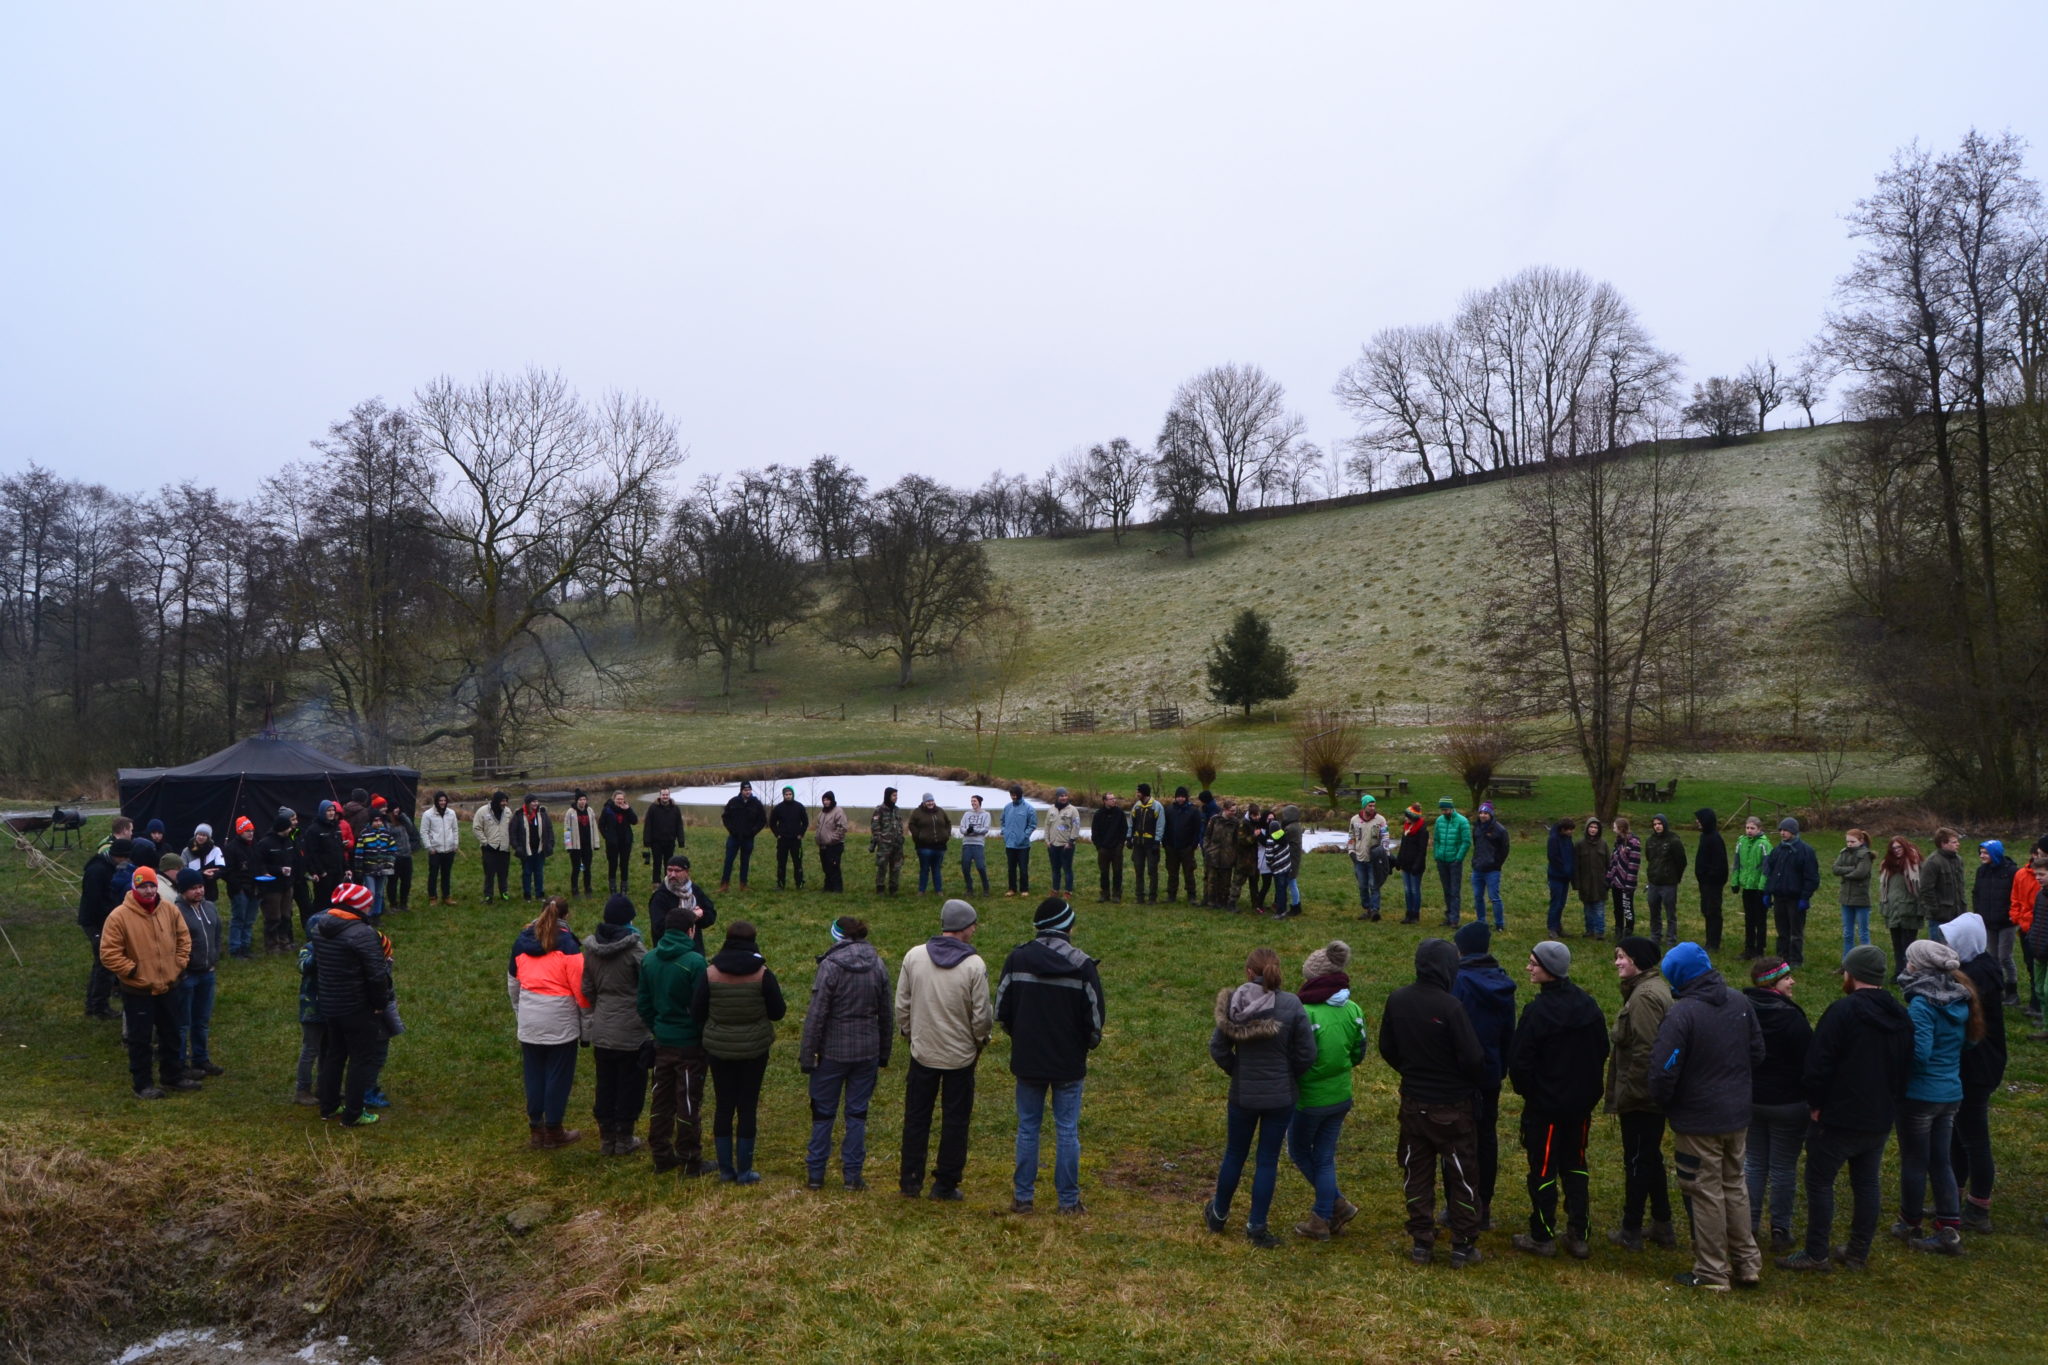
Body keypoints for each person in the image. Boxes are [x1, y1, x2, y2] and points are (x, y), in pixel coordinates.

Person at [1776, 943, 1914, 1273]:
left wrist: (1816, 1104)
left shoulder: (1842, 1012)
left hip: (1838, 1117)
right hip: (1879, 1116)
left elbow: (1818, 1064)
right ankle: (1857, 1252)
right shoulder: (1900, 1014)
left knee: (1820, 1182)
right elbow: (1907, 1065)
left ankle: (1816, 1253)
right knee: (1866, 1184)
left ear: (1853, 975)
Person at [1649, 942, 1765, 1290]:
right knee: (1734, 1185)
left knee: (1705, 1192)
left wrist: (1667, 1102)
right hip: (1737, 1114)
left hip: (1698, 1120)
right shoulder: (1740, 1002)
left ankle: (1713, 1271)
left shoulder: (1682, 1014)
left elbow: (1663, 1070)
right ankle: (1747, 1263)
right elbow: (1757, 1052)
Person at [1379, 939, 1488, 1267]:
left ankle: (1421, 1241)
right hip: (1452, 1107)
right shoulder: (1451, 1007)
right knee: (1462, 1175)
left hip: (1414, 1104)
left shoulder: (1398, 999)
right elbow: (1474, 1058)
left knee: (1416, 1171)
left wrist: (1412, 1071)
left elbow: (1387, 1047)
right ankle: (1462, 1244)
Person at [998, 897, 1105, 1215]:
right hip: (1068, 1062)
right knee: (1067, 1130)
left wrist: (1020, 1038)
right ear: (1066, 926)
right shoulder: (1082, 965)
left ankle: (1023, 1198)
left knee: (1028, 1128)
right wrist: (1085, 1045)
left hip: (1028, 1059)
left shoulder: (1017, 959)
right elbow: (1095, 1019)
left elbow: (1002, 1010)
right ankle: (1068, 1202)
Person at [1203, 947, 1316, 1249]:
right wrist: (1288, 1076)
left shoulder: (1234, 1003)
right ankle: (1256, 1226)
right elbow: (1307, 1052)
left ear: (1249, 972)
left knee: (1234, 1154)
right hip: (1281, 1097)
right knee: (1267, 1160)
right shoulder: (1291, 1004)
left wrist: (1237, 1071)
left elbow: (1218, 1048)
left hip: (1243, 1095)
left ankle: (1218, 1214)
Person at [1506, 940, 1608, 1259]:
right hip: (1580, 1106)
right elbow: (1602, 1049)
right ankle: (1579, 1234)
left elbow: (1519, 1061)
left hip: (1546, 1108)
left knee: (1543, 1169)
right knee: (1576, 1165)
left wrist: (1532, 1093)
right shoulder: (1588, 1005)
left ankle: (1542, 1235)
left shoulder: (1537, 1012)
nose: (1528, 967)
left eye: (1533, 963)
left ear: (1549, 969)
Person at [896, 899, 993, 1200]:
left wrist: (910, 1035)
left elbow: (902, 1004)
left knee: (916, 1117)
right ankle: (945, 1184)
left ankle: (910, 1180)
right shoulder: (974, 965)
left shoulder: (914, 956)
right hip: (960, 1057)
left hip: (922, 1052)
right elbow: (982, 1015)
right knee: (955, 1121)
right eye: (973, 925)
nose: (975, 930)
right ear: (963, 927)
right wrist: (980, 1041)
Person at [1892, 937, 1980, 1254]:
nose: (1906, 964)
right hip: (1950, 1092)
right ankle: (1949, 1227)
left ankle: (1909, 1221)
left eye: (1909, 959)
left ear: (1918, 967)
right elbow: (1969, 1042)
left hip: (1920, 1095)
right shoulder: (1960, 998)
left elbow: (1919, 1054)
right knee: (1941, 1160)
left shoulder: (1921, 1004)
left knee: (1915, 1160)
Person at [800, 915, 892, 1191]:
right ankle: (852, 1176)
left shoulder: (830, 966)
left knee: (823, 1114)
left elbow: (817, 1014)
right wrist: (883, 1052)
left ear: (838, 935)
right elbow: (886, 1013)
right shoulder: (877, 964)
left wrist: (808, 1055)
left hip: (833, 1051)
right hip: (867, 1051)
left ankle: (816, 1174)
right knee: (857, 1114)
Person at [691, 921, 787, 1184]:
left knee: (724, 1105)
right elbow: (778, 1012)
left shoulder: (710, 973)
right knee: (747, 1106)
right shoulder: (763, 974)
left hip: (719, 1048)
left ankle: (725, 1170)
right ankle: (744, 1171)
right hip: (754, 1050)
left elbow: (697, 1011)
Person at [1290, 940, 1366, 1240]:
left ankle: (1327, 1213)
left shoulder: (1306, 1013)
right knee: (1324, 1156)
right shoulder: (1353, 1009)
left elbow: (1296, 1058)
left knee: (1299, 1149)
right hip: (1341, 1094)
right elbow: (1359, 1052)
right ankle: (1332, 1208)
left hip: (1310, 1098)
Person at [1605, 936, 1676, 1252]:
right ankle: (1662, 1224)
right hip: (1649, 1094)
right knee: (1649, 1157)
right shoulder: (1649, 988)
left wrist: (1633, 1094)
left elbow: (1646, 1051)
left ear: (1636, 960)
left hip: (1642, 1096)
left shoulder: (1644, 997)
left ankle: (1631, 1229)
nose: (1617, 962)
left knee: (1636, 1160)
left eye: (1622, 956)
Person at [99, 866, 194, 1099]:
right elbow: (109, 953)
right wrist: (133, 972)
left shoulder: (169, 910)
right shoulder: (119, 916)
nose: (149, 891)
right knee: (140, 1040)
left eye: (152, 885)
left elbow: (184, 938)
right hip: (138, 990)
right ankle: (142, 1084)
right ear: (134, 888)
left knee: (171, 1034)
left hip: (169, 985)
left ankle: (172, 1076)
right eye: (143, 886)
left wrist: (179, 964)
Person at [1743, 957, 1812, 1254]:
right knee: (1783, 1167)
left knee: (1754, 1163)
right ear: (1772, 983)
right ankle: (1780, 1229)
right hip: (1788, 1103)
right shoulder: (1792, 1018)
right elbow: (1809, 1061)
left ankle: (1748, 1225)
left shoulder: (1743, 1012)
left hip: (1752, 1100)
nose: (1792, 981)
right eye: (1786, 978)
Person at [1450, 922, 1516, 1233]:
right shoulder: (1502, 982)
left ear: (1461, 949)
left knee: (1456, 1139)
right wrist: (1501, 1067)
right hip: (1490, 1071)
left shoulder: (1458, 981)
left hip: (1460, 1074)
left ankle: (1458, 1205)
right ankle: (1484, 1205)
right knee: (1486, 1137)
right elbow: (1508, 1032)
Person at [637, 895, 710, 1176]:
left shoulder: (649, 959)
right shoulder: (695, 962)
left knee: (661, 1098)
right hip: (689, 1043)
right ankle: (691, 1158)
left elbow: (643, 1003)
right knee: (688, 1100)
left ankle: (661, 1154)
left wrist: (658, 1027)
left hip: (662, 1040)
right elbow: (701, 1006)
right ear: (691, 931)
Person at [1941, 913, 2005, 1231]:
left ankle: (1978, 1208)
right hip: (1974, 1064)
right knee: (1958, 1133)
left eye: (1950, 941)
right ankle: (1951, 1197)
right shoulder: (1979, 968)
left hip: (1976, 1067)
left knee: (1974, 1138)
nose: (1945, 946)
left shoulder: (1973, 979)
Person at [310, 882, 391, 1128]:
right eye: (367, 904)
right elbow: (376, 974)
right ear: (357, 906)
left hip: (330, 1002)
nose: (370, 907)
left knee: (334, 1055)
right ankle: (354, 1113)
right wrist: (380, 1003)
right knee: (360, 1059)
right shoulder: (362, 934)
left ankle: (329, 1106)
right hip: (357, 1005)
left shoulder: (319, 928)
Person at [509, 896, 586, 1148]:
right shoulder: (569, 946)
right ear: (566, 916)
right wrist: (586, 1021)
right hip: (560, 1020)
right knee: (558, 1075)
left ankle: (536, 1128)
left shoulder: (521, 942)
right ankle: (554, 1129)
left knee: (534, 1074)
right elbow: (581, 989)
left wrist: (521, 1011)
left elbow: (513, 983)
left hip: (530, 1018)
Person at [581, 894, 652, 1156]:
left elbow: (587, 988)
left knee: (606, 1083)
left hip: (602, 1027)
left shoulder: (590, 951)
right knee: (630, 1084)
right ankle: (624, 1138)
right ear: (628, 920)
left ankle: (606, 1138)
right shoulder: (636, 950)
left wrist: (603, 1006)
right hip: (632, 1030)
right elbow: (649, 985)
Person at [170, 869, 224, 1082]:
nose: (199, 891)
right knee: (183, 1023)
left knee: (201, 1020)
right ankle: (180, 1064)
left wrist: (214, 958)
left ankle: (201, 1059)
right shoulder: (175, 912)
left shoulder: (210, 907)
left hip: (207, 973)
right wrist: (181, 970)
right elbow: (171, 944)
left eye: (200, 886)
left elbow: (217, 934)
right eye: (193, 888)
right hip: (187, 976)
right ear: (183, 891)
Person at [77, 836, 131, 1020]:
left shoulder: (106, 866)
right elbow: (95, 902)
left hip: (102, 920)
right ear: (120, 856)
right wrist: (111, 918)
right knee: (106, 963)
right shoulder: (97, 871)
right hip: (95, 922)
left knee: (100, 963)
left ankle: (93, 1004)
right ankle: (99, 1007)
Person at [1763, 817, 1820, 966]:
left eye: (1786, 830)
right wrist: (1768, 892)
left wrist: (1805, 897)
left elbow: (1812, 877)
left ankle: (1795, 959)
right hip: (1779, 896)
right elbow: (1770, 873)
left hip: (1795, 898)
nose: (1782, 833)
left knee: (1795, 932)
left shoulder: (1806, 851)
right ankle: (1782, 957)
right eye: (1781, 830)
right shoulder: (1777, 850)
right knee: (1782, 931)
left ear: (1794, 831)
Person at [1971, 841, 2017, 1007]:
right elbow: (1976, 893)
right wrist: (1979, 913)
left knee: (2005, 957)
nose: (1982, 856)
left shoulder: (2011, 871)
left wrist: (2011, 914)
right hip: (1988, 922)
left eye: (1986, 853)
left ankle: (2012, 991)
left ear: (1995, 853)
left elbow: (2016, 895)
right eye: (1981, 852)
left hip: (2006, 922)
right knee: (1992, 957)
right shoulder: (1981, 871)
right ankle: (1998, 989)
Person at [648, 854, 716, 954]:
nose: (672, 875)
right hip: (668, 951)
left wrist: (701, 916)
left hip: (693, 949)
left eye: (677, 871)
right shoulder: (660, 896)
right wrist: (691, 917)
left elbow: (711, 915)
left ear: (687, 872)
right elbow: (659, 927)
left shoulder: (694, 891)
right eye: (669, 870)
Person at [1916, 828, 1969, 946]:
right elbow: (1926, 889)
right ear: (1943, 844)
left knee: (1957, 949)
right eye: (1954, 842)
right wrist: (1935, 910)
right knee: (1939, 949)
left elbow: (1960, 887)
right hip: (1940, 918)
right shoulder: (1933, 862)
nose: (1958, 844)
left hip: (1958, 916)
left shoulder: (1958, 860)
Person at [1880, 835, 1926, 970]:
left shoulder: (1916, 864)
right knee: (1897, 945)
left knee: (1908, 946)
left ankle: (1909, 972)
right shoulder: (1887, 866)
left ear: (1905, 846)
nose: (1896, 850)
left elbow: (1922, 890)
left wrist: (1921, 910)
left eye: (1899, 847)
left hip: (1910, 911)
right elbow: (1885, 889)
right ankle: (1898, 971)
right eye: (1893, 848)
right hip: (1893, 911)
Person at [1642, 814, 1688, 946]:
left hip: (1668, 883)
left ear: (1665, 824)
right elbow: (1649, 858)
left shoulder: (1674, 840)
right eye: (1655, 824)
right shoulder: (1650, 840)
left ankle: (1671, 938)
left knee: (1670, 912)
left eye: (1659, 823)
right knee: (1654, 911)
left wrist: (1675, 877)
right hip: (1653, 882)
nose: (1657, 826)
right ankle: (1655, 936)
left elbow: (1682, 861)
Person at [254, 816, 297, 952]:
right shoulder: (265, 843)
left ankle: (284, 941)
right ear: (282, 828)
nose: (290, 829)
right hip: (272, 887)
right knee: (273, 917)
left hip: (287, 884)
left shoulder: (289, 841)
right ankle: (272, 945)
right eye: (288, 827)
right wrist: (278, 870)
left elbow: (293, 859)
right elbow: (260, 864)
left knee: (286, 915)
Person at [303, 801, 350, 925]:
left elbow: (340, 849)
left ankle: (334, 923)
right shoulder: (314, 830)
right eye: (328, 811)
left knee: (336, 899)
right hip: (324, 873)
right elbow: (311, 853)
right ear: (322, 812)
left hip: (337, 871)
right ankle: (317, 925)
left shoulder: (336, 827)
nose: (331, 813)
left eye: (333, 810)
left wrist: (346, 867)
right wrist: (319, 871)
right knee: (322, 901)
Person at [2016, 837, 2048, 1019]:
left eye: (2041, 875)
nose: (2037, 878)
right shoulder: (2040, 895)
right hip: (2036, 942)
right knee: (2040, 987)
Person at [1733, 815, 1771, 958]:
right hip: (1747, 887)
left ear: (1759, 829)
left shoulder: (1764, 844)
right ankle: (1749, 948)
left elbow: (1766, 869)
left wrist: (1762, 887)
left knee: (1760, 919)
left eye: (1752, 828)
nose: (1749, 830)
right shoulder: (1741, 842)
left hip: (1758, 888)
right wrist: (1735, 882)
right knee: (1749, 919)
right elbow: (1737, 864)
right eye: (1747, 828)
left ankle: (1760, 949)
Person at [220, 817, 259, 960]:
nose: (250, 833)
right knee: (239, 918)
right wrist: (238, 886)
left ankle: (245, 946)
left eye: (252, 831)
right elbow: (227, 871)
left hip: (254, 887)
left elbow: (259, 864)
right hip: (239, 889)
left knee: (250, 919)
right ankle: (235, 948)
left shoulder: (254, 845)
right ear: (240, 831)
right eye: (247, 831)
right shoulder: (231, 848)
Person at [1834, 829, 1876, 958]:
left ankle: (1866, 961)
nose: (1849, 844)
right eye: (1848, 841)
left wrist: (1845, 874)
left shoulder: (1865, 855)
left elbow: (1860, 873)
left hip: (1861, 899)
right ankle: (1846, 961)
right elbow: (1835, 869)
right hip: (1846, 899)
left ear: (1861, 841)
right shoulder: (1844, 852)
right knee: (1847, 933)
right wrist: (1851, 869)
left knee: (1863, 933)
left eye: (1852, 841)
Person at [718, 781, 766, 892]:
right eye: (745, 790)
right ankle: (724, 885)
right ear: (741, 791)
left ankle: (743, 885)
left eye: (749, 790)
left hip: (748, 838)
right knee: (728, 861)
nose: (747, 792)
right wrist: (731, 829)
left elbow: (762, 820)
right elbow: (725, 817)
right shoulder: (733, 802)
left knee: (745, 861)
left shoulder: (756, 803)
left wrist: (753, 832)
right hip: (734, 837)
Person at [1694, 809, 1730, 953]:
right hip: (1704, 883)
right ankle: (1709, 940)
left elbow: (1720, 864)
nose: (1697, 822)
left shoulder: (1715, 839)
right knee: (1706, 910)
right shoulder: (1704, 836)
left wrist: (1709, 876)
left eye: (1699, 819)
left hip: (1713, 883)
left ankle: (1714, 943)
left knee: (1713, 911)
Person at [1432, 797, 1472, 927]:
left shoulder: (1462, 821)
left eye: (1446, 809)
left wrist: (1458, 858)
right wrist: (1437, 854)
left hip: (1454, 861)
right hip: (1442, 860)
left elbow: (1466, 842)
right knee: (1446, 889)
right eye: (1442, 810)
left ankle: (1454, 919)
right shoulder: (1439, 821)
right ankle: (1449, 915)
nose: (1444, 812)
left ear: (1451, 808)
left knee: (1454, 890)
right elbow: (1436, 839)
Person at [1470, 803, 1510, 930]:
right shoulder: (1476, 828)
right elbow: (1476, 845)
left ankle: (1499, 924)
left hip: (1492, 870)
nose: (1482, 815)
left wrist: (1496, 863)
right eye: (1481, 813)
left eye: (1485, 813)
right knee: (1478, 896)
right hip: (1477, 868)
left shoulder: (1500, 830)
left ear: (1491, 814)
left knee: (1494, 898)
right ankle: (1481, 922)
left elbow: (1505, 849)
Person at [1348, 796, 1388, 921]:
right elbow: (1351, 836)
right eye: (1370, 806)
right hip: (1359, 858)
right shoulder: (1354, 820)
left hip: (1374, 859)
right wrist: (1351, 852)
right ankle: (1367, 908)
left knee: (1374, 885)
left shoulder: (1380, 820)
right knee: (1362, 886)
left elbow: (1385, 838)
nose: (1372, 808)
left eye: (1374, 805)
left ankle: (1375, 910)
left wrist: (1385, 854)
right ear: (1364, 806)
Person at [509, 794, 555, 902]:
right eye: (533, 802)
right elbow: (512, 832)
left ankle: (540, 895)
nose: (535, 804)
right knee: (527, 872)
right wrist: (517, 846)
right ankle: (527, 895)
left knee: (539, 872)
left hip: (539, 849)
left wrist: (550, 843)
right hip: (525, 850)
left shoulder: (543, 813)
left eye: (536, 801)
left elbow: (549, 829)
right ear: (528, 803)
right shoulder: (519, 815)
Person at [354, 811, 399, 919]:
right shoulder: (364, 834)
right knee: (371, 892)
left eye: (380, 821)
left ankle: (377, 914)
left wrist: (389, 862)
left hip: (382, 869)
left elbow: (392, 849)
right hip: (368, 870)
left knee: (379, 893)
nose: (378, 823)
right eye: (375, 821)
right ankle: (368, 914)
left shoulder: (386, 833)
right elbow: (359, 852)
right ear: (371, 821)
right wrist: (358, 869)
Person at [1162, 787, 1203, 904]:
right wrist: (1165, 843)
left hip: (1187, 847)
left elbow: (1198, 829)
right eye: (1178, 796)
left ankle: (1191, 895)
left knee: (1189, 872)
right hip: (1171, 847)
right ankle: (1171, 895)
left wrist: (1194, 844)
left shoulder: (1193, 811)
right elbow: (1164, 827)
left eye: (1182, 796)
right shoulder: (1169, 810)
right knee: (1172, 873)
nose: (1180, 799)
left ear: (1186, 797)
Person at [419, 791, 460, 906]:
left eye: (444, 800)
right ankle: (432, 897)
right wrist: (429, 847)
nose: (442, 803)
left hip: (449, 850)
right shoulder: (428, 814)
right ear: (436, 801)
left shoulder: (451, 813)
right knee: (433, 874)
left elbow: (455, 829)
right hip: (435, 851)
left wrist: (455, 844)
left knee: (446, 874)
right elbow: (424, 832)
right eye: (440, 800)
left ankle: (446, 896)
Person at [907, 792, 953, 895]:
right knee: (924, 869)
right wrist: (918, 836)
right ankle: (921, 890)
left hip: (939, 847)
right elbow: (911, 824)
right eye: (928, 801)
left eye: (931, 800)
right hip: (924, 847)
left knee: (937, 869)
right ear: (924, 802)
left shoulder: (940, 811)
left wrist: (947, 834)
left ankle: (939, 890)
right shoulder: (917, 812)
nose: (930, 803)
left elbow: (948, 823)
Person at [594, 789, 638, 895]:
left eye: (622, 799)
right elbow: (601, 825)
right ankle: (612, 888)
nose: (620, 801)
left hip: (625, 842)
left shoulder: (627, 809)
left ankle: (624, 887)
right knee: (612, 864)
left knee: (624, 864)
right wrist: (607, 837)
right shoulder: (607, 810)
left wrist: (628, 810)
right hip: (612, 843)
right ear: (614, 799)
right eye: (618, 799)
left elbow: (634, 821)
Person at [1573, 817, 1611, 939]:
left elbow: (1609, 864)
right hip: (1585, 883)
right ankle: (1589, 930)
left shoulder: (1603, 844)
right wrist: (1577, 883)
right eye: (1591, 827)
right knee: (1588, 909)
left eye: (1595, 827)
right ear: (1587, 828)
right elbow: (1576, 866)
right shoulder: (1580, 844)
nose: (1593, 829)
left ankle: (1600, 932)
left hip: (1600, 883)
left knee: (1599, 909)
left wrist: (1608, 881)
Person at [1606, 816, 1643, 939]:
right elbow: (1613, 862)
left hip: (1627, 882)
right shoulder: (1618, 842)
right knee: (1617, 907)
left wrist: (1629, 884)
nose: (1613, 828)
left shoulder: (1633, 843)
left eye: (1614, 826)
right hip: (1616, 881)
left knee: (1627, 907)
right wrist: (1609, 878)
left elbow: (1634, 864)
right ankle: (1618, 928)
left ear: (1620, 828)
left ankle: (1629, 928)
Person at [473, 791, 513, 903]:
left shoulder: (508, 811)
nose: (504, 803)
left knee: (503, 873)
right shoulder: (482, 811)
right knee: (489, 874)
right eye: (502, 801)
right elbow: (476, 828)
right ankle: (488, 896)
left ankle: (504, 893)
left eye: (506, 801)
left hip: (504, 848)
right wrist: (485, 843)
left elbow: (511, 828)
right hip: (489, 849)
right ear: (496, 801)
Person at [1203, 797, 1241, 910]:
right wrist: (1207, 849)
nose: (1233, 813)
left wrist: (1234, 854)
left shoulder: (1235, 823)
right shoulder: (1214, 820)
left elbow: (1236, 840)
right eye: (1231, 810)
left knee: (1225, 882)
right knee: (1211, 880)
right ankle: (1210, 901)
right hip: (1213, 855)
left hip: (1227, 856)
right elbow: (1207, 835)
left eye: (1235, 811)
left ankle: (1223, 901)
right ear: (1225, 809)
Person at [642, 788, 685, 889]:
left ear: (669, 796)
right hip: (656, 841)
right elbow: (648, 825)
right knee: (657, 863)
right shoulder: (653, 808)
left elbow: (679, 825)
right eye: (663, 795)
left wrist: (681, 840)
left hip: (670, 841)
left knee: (669, 863)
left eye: (666, 795)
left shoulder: (675, 808)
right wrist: (647, 840)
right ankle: (656, 883)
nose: (665, 797)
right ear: (660, 795)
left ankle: (668, 881)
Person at [768, 786, 808, 890]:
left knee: (797, 863)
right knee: (781, 863)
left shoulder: (799, 807)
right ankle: (780, 884)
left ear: (793, 795)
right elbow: (772, 823)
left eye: (790, 794)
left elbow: (805, 822)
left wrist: (801, 833)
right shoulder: (778, 808)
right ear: (783, 795)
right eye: (786, 794)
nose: (788, 796)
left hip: (795, 840)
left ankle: (799, 884)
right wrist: (777, 834)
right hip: (783, 840)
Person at [1128, 783, 1163, 903]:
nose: (1136, 794)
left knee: (1152, 870)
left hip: (1151, 844)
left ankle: (1152, 897)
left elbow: (1160, 825)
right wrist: (1129, 838)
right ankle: (1140, 896)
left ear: (1144, 793)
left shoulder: (1157, 806)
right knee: (1138, 869)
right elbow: (1131, 823)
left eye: (1138, 792)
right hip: (1138, 844)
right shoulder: (1136, 806)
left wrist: (1157, 841)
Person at [1043, 789, 1082, 897]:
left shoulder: (1073, 810)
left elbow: (1076, 826)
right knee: (1055, 869)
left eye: (1065, 795)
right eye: (1061, 796)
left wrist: (1071, 842)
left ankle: (1068, 891)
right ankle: (1055, 889)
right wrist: (1047, 840)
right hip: (1053, 845)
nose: (1064, 798)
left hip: (1066, 845)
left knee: (1067, 869)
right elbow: (1047, 825)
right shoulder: (1051, 809)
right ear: (1057, 797)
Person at [1000, 785, 1036, 897]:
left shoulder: (1029, 808)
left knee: (1023, 869)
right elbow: (1002, 821)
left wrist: (1024, 836)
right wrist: (1004, 832)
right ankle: (1012, 889)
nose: (1013, 797)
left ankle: (1024, 889)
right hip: (1010, 844)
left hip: (1023, 846)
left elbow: (1032, 825)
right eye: (1012, 795)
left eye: (1015, 795)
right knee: (1011, 869)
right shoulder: (1007, 808)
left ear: (1020, 794)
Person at [1090, 792, 1126, 903]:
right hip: (1103, 848)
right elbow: (1094, 832)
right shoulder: (1098, 814)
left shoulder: (1120, 813)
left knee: (1117, 872)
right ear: (1105, 801)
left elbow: (1124, 830)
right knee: (1104, 873)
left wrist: (1120, 845)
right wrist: (1099, 846)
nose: (1114, 800)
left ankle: (1117, 894)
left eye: (1114, 798)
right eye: (1111, 799)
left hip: (1116, 848)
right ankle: (1104, 894)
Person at [1395, 803, 1428, 924]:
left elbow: (1422, 850)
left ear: (1413, 817)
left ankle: (1415, 914)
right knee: (1407, 890)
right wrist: (1398, 860)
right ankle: (1408, 913)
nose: (1405, 818)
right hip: (1405, 864)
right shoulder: (1406, 828)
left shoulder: (1422, 830)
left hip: (1415, 866)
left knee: (1414, 890)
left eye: (1407, 816)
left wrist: (1417, 865)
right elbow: (1403, 846)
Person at [1545, 818, 1577, 939]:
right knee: (1556, 903)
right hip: (1556, 876)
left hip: (1565, 877)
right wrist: (1565, 869)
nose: (1571, 832)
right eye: (1569, 830)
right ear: (1563, 829)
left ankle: (1558, 926)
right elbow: (1553, 857)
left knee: (1561, 903)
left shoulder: (1568, 838)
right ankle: (1552, 928)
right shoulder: (1553, 839)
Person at [561, 791, 597, 897]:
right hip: (575, 846)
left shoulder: (590, 810)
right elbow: (567, 829)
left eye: (584, 799)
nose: (583, 801)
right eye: (580, 799)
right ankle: (575, 889)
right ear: (577, 801)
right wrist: (568, 845)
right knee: (576, 868)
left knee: (587, 868)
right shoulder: (570, 812)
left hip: (587, 845)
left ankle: (588, 888)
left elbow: (594, 827)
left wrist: (595, 843)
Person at [871, 786, 906, 895]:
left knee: (896, 867)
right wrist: (880, 839)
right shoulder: (879, 810)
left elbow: (900, 825)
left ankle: (893, 888)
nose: (896, 797)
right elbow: (875, 826)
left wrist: (900, 836)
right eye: (894, 795)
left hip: (897, 844)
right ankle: (880, 887)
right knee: (882, 866)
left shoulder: (897, 810)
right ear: (888, 796)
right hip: (884, 844)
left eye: (896, 795)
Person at [1262, 821, 1300, 921]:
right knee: (1284, 890)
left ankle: (1280, 912)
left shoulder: (1271, 840)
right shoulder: (1285, 837)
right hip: (1287, 868)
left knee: (1279, 892)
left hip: (1278, 871)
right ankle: (1284, 909)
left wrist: (1270, 865)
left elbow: (1269, 857)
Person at [815, 791, 850, 894]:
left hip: (834, 845)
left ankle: (837, 888)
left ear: (832, 800)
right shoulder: (822, 813)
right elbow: (818, 826)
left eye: (828, 800)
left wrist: (832, 839)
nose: (825, 802)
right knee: (826, 867)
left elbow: (842, 828)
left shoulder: (838, 812)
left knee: (834, 866)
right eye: (824, 800)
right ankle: (828, 887)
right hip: (823, 845)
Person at [388, 801, 419, 911]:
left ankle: (403, 903)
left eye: (398, 808)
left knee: (406, 881)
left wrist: (402, 816)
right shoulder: (388, 823)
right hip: (395, 857)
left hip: (407, 855)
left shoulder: (402, 820)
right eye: (395, 808)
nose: (397, 810)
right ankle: (393, 904)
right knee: (393, 881)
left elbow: (410, 827)